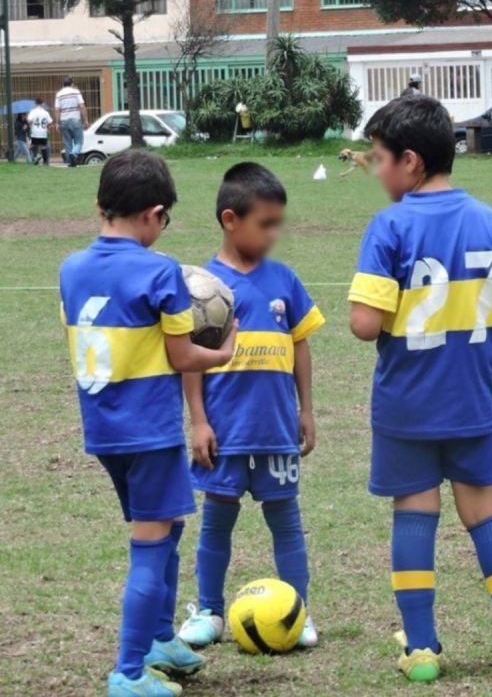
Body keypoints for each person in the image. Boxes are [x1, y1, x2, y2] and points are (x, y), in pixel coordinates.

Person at [347, 95, 492, 682]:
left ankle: (420, 647)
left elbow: (364, 326)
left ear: (410, 162)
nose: (376, 170)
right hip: (473, 398)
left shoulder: (388, 227)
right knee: (486, 512)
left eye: (380, 159)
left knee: (414, 514)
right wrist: (479, 353)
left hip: (405, 404)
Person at [59, 151, 237, 697]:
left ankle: (161, 637)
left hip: (106, 432)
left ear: (100, 205)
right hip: (151, 432)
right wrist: (225, 350)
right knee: (151, 543)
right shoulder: (160, 271)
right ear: (154, 214)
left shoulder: (71, 267)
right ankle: (129, 671)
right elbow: (185, 356)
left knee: (168, 524)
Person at [176, 163, 324, 650]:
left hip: (277, 427)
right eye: (265, 223)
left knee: (286, 522)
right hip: (225, 430)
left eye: (278, 223)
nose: (274, 233)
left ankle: (295, 613)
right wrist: (198, 421)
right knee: (217, 520)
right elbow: (189, 361)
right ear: (229, 219)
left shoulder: (285, 280)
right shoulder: (202, 289)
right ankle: (211, 611)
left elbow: (301, 345)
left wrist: (306, 410)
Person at [56, 76, 88, 167]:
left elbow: (57, 110)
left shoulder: (59, 94)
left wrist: (57, 123)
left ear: (63, 84)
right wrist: (85, 119)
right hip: (75, 120)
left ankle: (70, 162)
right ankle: (74, 153)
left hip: (64, 120)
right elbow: (81, 106)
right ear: (72, 84)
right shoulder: (76, 92)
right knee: (79, 141)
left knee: (67, 142)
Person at [28, 98, 52, 166]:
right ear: (42, 104)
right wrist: (46, 126)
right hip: (43, 132)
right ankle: (45, 161)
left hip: (35, 131)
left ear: (35, 103)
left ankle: (36, 155)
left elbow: (29, 120)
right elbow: (50, 122)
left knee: (32, 145)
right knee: (43, 146)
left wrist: (31, 125)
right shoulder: (45, 112)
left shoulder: (33, 111)